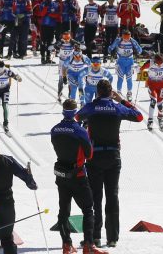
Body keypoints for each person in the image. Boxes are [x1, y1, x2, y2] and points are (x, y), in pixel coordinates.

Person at [77, 80, 143, 248]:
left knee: (95, 198)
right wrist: (121, 100)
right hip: (113, 156)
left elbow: (76, 117)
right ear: (111, 92)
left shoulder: (91, 107)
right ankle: (112, 238)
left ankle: (94, 237)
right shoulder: (117, 107)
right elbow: (139, 116)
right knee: (112, 196)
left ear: (97, 92)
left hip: (94, 157)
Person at [51, 98, 105, 253]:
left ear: (63, 111)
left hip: (61, 174)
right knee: (88, 209)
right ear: (75, 112)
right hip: (78, 175)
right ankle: (88, 244)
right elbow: (89, 155)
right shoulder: (80, 131)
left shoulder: (54, 129)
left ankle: (66, 244)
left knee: (63, 211)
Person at [0, 135, 36, 254]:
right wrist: (31, 183)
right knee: (7, 238)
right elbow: (23, 174)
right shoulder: (8, 160)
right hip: (7, 203)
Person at [140, 54, 163, 130]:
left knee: (160, 105)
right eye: (157, 64)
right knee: (153, 101)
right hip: (152, 84)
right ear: (155, 61)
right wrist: (140, 69)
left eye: (161, 64)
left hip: (161, 85)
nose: (160, 66)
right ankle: (150, 120)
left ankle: (160, 118)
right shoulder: (150, 62)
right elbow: (141, 67)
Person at [0, 59, 22, 133]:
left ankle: (6, 124)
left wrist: (18, 78)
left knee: (5, 106)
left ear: (4, 67)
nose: (0, 71)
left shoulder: (7, 71)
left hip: (5, 90)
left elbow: (17, 78)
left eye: (1, 69)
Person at [107, 29, 142, 97]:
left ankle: (129, 92)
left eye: (128, 37)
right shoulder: (118, 40)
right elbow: (111, 46)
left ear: (130, 36)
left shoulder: (132, 41)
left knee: (129, 78)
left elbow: (139, 49)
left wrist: (139, 51)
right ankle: (119, 92)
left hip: (130, 61)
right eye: (124, 37)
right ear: (122, 36)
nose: (126, 39)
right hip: (121, 61)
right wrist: (110, 50)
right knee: (120, 78)